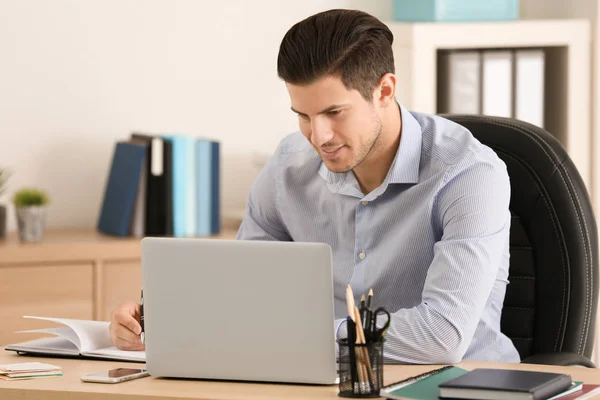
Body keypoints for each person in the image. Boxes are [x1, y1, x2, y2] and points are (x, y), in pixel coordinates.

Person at [109, 8, 520, 364]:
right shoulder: (289, 165)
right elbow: (241, 290)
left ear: (385, 91)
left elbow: (441, 336)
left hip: (457, 385)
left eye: (334, 112)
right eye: (302, 115)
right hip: (325, 380)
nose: (318, 135)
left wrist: (301, 339)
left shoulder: (468, 175)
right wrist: (161, 318)